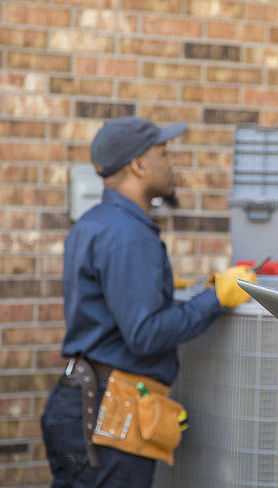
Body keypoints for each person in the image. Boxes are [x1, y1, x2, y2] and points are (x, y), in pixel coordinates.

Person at [41, 116, 256, 487]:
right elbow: (145, 334)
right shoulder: (129, 234)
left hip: (85, 405)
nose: (171, 164)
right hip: (109, 417)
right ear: (138, 165)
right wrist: (216, 297)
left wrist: (160, 287)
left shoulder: (95, 222)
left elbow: (107, 300)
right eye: (163, 153)